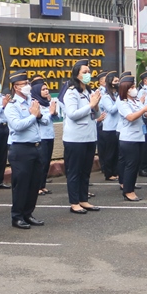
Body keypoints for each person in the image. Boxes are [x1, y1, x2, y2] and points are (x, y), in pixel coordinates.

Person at [4, 71, 51, 228]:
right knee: (21, 185)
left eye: (27, 83)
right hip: (21, 149)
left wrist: (37, 115)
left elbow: (44, 119)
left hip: (36, 147)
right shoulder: (12, 106)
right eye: (24, 84)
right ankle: (17, 216)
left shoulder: (33, 101)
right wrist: (32, 116)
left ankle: (28, 213)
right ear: (16, 87)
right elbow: (17, 126)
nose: (27, 86)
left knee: (33, 184)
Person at [62, 59, 103, 212]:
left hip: (89, 137)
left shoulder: (89, 93)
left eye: (89, 72)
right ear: (76, 75)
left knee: (86, 170)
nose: (88, 74)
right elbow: (72, 114)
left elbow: (97, 114)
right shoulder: (71, 93)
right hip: (75, 139)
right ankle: (74, 202)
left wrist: (96, 104)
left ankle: (83, 199)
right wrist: (90, 105)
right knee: (74, 171)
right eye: (84, 72)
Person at [117, 76, 147, 201]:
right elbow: (130, 117)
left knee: (136, 164)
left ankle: (131, 187)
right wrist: (144, 109)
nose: (134, 89)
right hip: (129, 138)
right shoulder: (123, 102)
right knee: (131, 164)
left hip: (139, 137)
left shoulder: (136, 101)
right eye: (132, 87)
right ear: (126, 89)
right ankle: (127, 191)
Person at [32, 80, 57, 196]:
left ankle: (43, 185)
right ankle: (36, 186)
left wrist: (54, 112)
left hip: (49, 136)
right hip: (41, 137)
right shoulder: (35, 104)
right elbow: (42, 119)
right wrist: (50, 113)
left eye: (47, 89)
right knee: (40, 163)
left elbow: (57, 118)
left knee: (47, 162)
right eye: (43, 89)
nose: (46, 91)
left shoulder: (48, 103)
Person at [97, 71, 121, 181]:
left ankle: (116, 171)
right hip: (109, 127)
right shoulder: (106, 96)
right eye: (116, 81)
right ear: (111, 83)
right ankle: (108, 173)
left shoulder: (117, 95)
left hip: (117, 127)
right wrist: (120, 100)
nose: (118, 83)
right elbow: (111, 110)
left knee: (117, 152)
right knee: (110, 152)